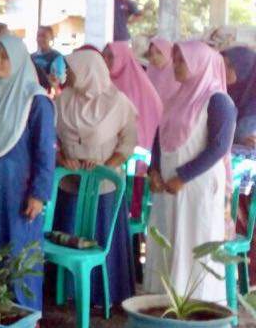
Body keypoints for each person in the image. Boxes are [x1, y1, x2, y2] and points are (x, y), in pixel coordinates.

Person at [0, 35, 55, 311]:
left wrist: (38, 194)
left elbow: (45, 152)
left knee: (18, 251)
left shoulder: (35, 100)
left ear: (17, 60)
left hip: (18, 194)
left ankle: (23, 315)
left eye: (4, 57)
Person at [146, 42, 236, 302]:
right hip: (168, 184)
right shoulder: (176, 98)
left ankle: (196, 306)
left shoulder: (218, 100)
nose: (174, 66)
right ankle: (164, 303)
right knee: (168, 239)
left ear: (199, 63)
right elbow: (159, 137)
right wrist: (154, 170)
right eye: (175, 60)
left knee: (194, 242)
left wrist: (183, 176)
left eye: (181, 61)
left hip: (197, 185)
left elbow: (219, 147)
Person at [54, 49, 138, 307]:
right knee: (68, 235)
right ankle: (67, 293)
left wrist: (104, 167)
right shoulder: (63, 100)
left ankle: (104, 295)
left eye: (72, 70)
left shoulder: (117, 102)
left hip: (103, 186)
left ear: (88, 72)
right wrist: (62, 159)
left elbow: (128, 142)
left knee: (100, 237)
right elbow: (52, 139)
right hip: (71, 184)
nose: (68, 74)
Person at [104, 42, 162, 155]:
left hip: (136, 149)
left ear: (122, 58)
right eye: (103, 56)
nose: (105, 60)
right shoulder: (104, 82)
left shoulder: (141, 87)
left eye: (110, 57)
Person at [222, 46, 256, 149]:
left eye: (230, 66)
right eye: (222, 64)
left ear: (244, 69)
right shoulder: (210, 86)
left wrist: (247, 140)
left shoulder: (252, 103)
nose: (223, 70)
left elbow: (244, 135)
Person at [31, 25, 66, 93]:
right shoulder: (31, 57)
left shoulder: (56, 57)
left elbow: (60, 80)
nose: (40, 39)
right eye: (38, 36)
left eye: (43, 36)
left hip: (48, 93)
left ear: (51, 38)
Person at [145, 37, 179, 102]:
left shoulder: (177, 73)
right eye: (151, 54)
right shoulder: (151, 69)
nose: (154, 57)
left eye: (159, 52)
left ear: (169, 52)